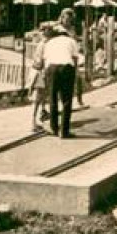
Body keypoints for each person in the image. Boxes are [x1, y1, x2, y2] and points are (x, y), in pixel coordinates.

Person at [43, 8, 79, 138]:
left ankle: (54, 128)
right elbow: (75, 58)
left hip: (51, 68)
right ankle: (64, 131)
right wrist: (74, 74)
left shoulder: (50, 42)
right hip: (66, 68)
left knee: (52, 99)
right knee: (66, 100)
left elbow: (45, 59)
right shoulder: (71, 41)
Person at [28, 23, 52, 130]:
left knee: (43, 96)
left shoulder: (45, 43)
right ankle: (32, 121)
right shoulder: (43, 44)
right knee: (37, 98)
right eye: (47, 30)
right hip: (39, 72)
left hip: (41, 71)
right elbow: (39, 61)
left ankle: (42, 113)